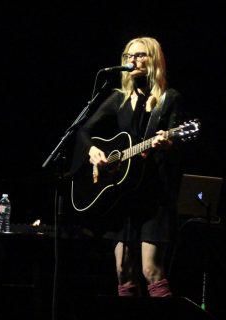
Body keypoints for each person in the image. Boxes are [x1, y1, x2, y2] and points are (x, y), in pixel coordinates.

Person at [70, 36, 188, 297]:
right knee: (124, 272)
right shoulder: (118, 99)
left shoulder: (169, 99)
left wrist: (166, 142)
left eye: (140, 55)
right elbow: (83, 132)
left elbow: (179, 146)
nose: (132, 60)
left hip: (154, 196)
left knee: (151, 270)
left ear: (153, 59)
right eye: (128, 56)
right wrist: (93, 151)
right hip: (123, 196)